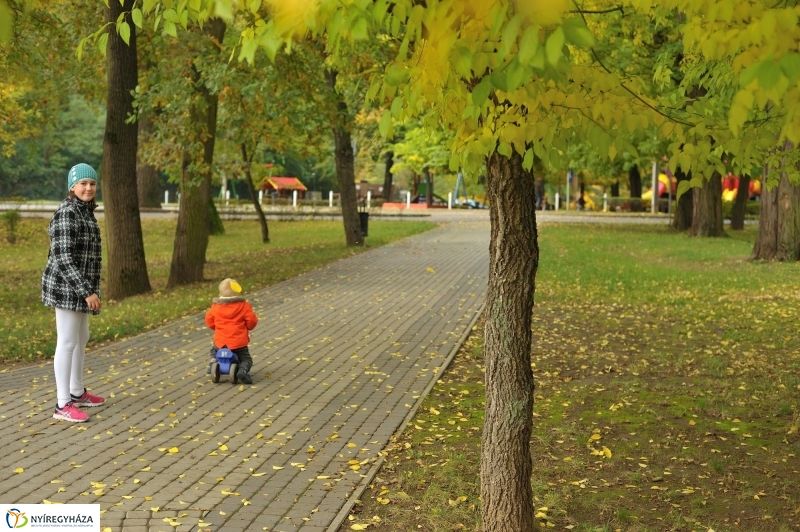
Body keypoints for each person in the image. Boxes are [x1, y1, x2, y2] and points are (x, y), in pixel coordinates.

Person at [42, 163, 106, 423]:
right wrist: (87, 292)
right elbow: (64, 258)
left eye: (92, 183)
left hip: (80, 288)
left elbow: (89, 257)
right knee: (67, 342)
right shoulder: (67, 213)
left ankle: (77, 392)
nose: (88, 188)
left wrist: (91, 290)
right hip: (66, 287)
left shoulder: (86, 212)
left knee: (82, 337)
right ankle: (62, 404)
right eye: (83, 184)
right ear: (72, 186)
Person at [205, 278, 259, 384]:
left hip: (220, 342)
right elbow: (252, 321)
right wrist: (248, 327)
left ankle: (213, 363)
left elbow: (209, 320)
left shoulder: (216, 306)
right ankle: (242, 370)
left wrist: (216, 328)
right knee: (246, 359)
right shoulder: (244, 306)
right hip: (238, 343)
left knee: (214, 351)